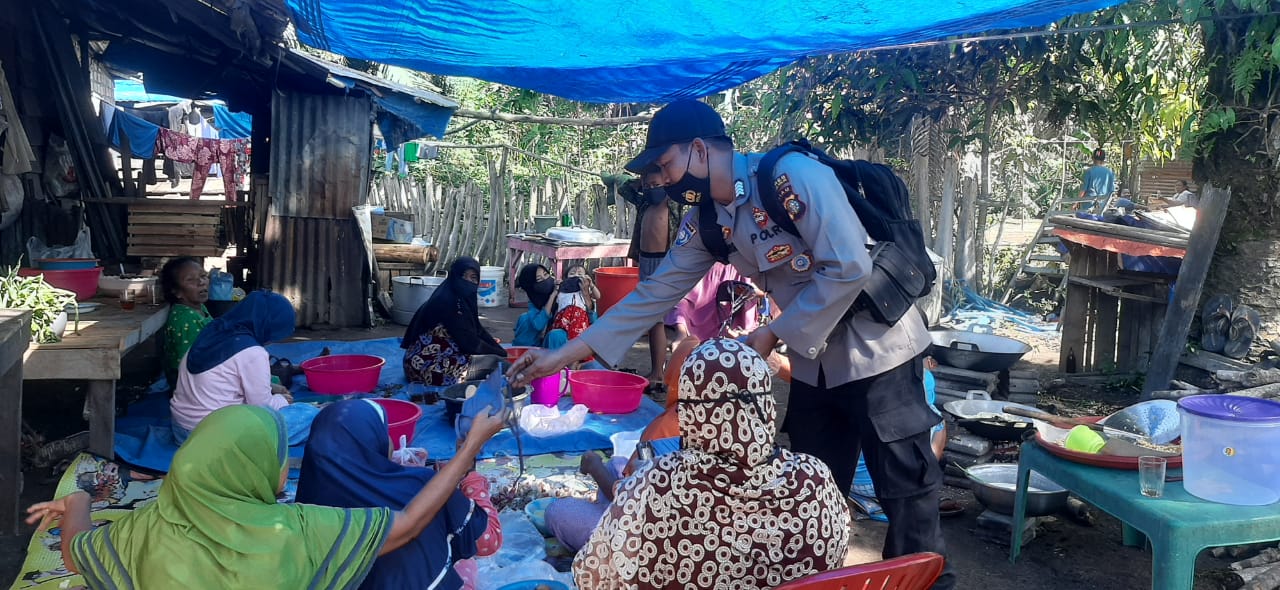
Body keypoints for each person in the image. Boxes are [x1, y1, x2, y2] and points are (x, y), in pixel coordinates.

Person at [509, 99, 952, 588]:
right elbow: (652, 296)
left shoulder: (790, 176)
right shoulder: (709, 224)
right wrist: (558, 358)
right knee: (811, 497)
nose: (663, 180)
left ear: (699, 150)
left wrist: (768, 335)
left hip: (880, 352)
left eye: (666, 165)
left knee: (908, 499)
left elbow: (849, 265)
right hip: (815, 366)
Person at [24, 404, 507, 589]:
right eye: (278, 454)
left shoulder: (142, 530)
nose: (284, 463)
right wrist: (469, 451)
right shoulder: (293, 531)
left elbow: (74, 547)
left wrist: (77, 503)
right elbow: (406, 525)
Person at [572, 338, 849, 589]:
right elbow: (834, 556)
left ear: (691, 410)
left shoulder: (661, 481)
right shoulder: (815, 477)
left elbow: (592, 576)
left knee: (564, 511)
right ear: (767, 405)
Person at [297, 400, 502, 590]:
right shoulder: (421, 487)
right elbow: (488, 541)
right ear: (373, 440)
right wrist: (469, 475)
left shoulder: (301, 512)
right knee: (465, 562)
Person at [169, 290, 296, 443]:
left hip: (181, 427)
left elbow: (222, 375)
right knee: (305, 417)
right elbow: (262, 407)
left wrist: (270, 387)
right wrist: (281, 400)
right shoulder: (253, 352)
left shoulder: (213, 331)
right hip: (212, 435)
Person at [402, 257, 505, 386]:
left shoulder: (454, 297)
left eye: (473, 278)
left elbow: (478, 330)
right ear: (454, 276)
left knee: (499, 359)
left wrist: (501, 351)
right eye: (464, 276)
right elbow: (471, 344)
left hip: (416, 363)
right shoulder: (450, 304)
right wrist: (501, 356)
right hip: (428, 369)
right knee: (499, 365)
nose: (468, 282)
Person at [623, 170, 678, 390]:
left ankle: (658, 373)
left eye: (655, 184)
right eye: (646, 186)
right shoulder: (644, 203)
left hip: (664, 262)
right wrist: (641, 182)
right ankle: (656, 371)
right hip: (646, 261)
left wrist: (664, 182)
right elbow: (624, 188)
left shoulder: (674, 205)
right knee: (653, 321)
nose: (650, 189)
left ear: (667, 182)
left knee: (656, 319)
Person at [664, 261, 759, 347]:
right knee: (684, 300)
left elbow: (760, 288)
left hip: (735, 263)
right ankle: (682, 334)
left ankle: (731, 331)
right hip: (708, 263)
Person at [159, 257, 211, 390]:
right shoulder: (185, 319)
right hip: (193, 386)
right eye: (190, 280)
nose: (201, 282)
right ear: (176, 291)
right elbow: (191, 365)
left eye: (203, 276)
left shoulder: (199, 308)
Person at [512, 263, 558, 347]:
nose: (546, 279)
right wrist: (552, 296)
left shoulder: (559, 291)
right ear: (531, 286)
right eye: (539, 279)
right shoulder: (533, 304)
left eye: (546, 274)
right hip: (530, 349)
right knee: (525, 319)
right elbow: (539, 325)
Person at [1079, 147, 1116, 212]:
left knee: (1085, 219)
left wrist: (1075, 203)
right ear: (1103, 160)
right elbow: (1111, 191)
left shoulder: (1088, 171)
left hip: (1088, 204)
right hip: (1102, 205)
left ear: (1093, 158)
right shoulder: (1109, 173)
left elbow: (1083, 190)